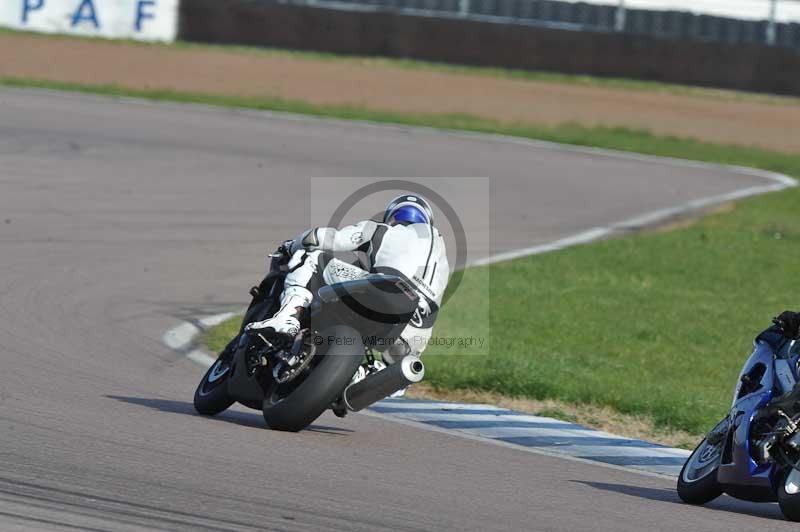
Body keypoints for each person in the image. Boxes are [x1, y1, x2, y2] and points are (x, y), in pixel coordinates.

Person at [245, 194, 449, 363]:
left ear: (392, 217)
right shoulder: (443, 263)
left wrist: (290, 246)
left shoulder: (381, 229)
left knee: (311, 256)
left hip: (386, 288)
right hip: (416, 328)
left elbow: (322, 239)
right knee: (393, 362)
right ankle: (366, 375)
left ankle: (287, 318)